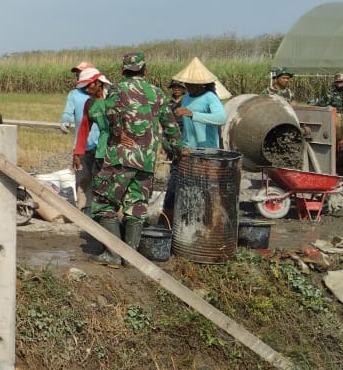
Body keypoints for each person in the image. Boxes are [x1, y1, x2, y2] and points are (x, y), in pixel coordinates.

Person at [90, 52, 182, 267]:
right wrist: (179, 149)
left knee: (104, 203)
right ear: (145, 70)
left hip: (121, 158)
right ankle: (130, 257)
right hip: (147, 160)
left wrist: (118, 132)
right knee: (136, 206)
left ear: (123, 70)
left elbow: (110, 114)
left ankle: (113, 254)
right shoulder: (158, 93)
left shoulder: (117, 90)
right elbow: (171, 126)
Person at [70, 68, 108, 210]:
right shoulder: (89, 104)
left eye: (89, 86)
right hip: (101, 149)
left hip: (116, 149)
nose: (86, 90)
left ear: (99, 83)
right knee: (97, 184)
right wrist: (78, 152)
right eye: (84, 87)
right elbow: (84, 129)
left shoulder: (112, 100)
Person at [172, 58, 227, 149]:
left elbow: (221, 119)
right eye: (186, 83)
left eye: (191, 83)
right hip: (188, 148)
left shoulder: (210, 97)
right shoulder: (185, 98)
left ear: (199, 84)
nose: (187, 86)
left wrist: (192, 114)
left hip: (207, 148)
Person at [59, 61, 95, 134]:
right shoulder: (74, 94)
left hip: (100, 143)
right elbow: (68, 112)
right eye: (77, 75)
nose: (78, 77)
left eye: (81, 74)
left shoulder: (102, 93)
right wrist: (65, 121)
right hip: (80, 142)